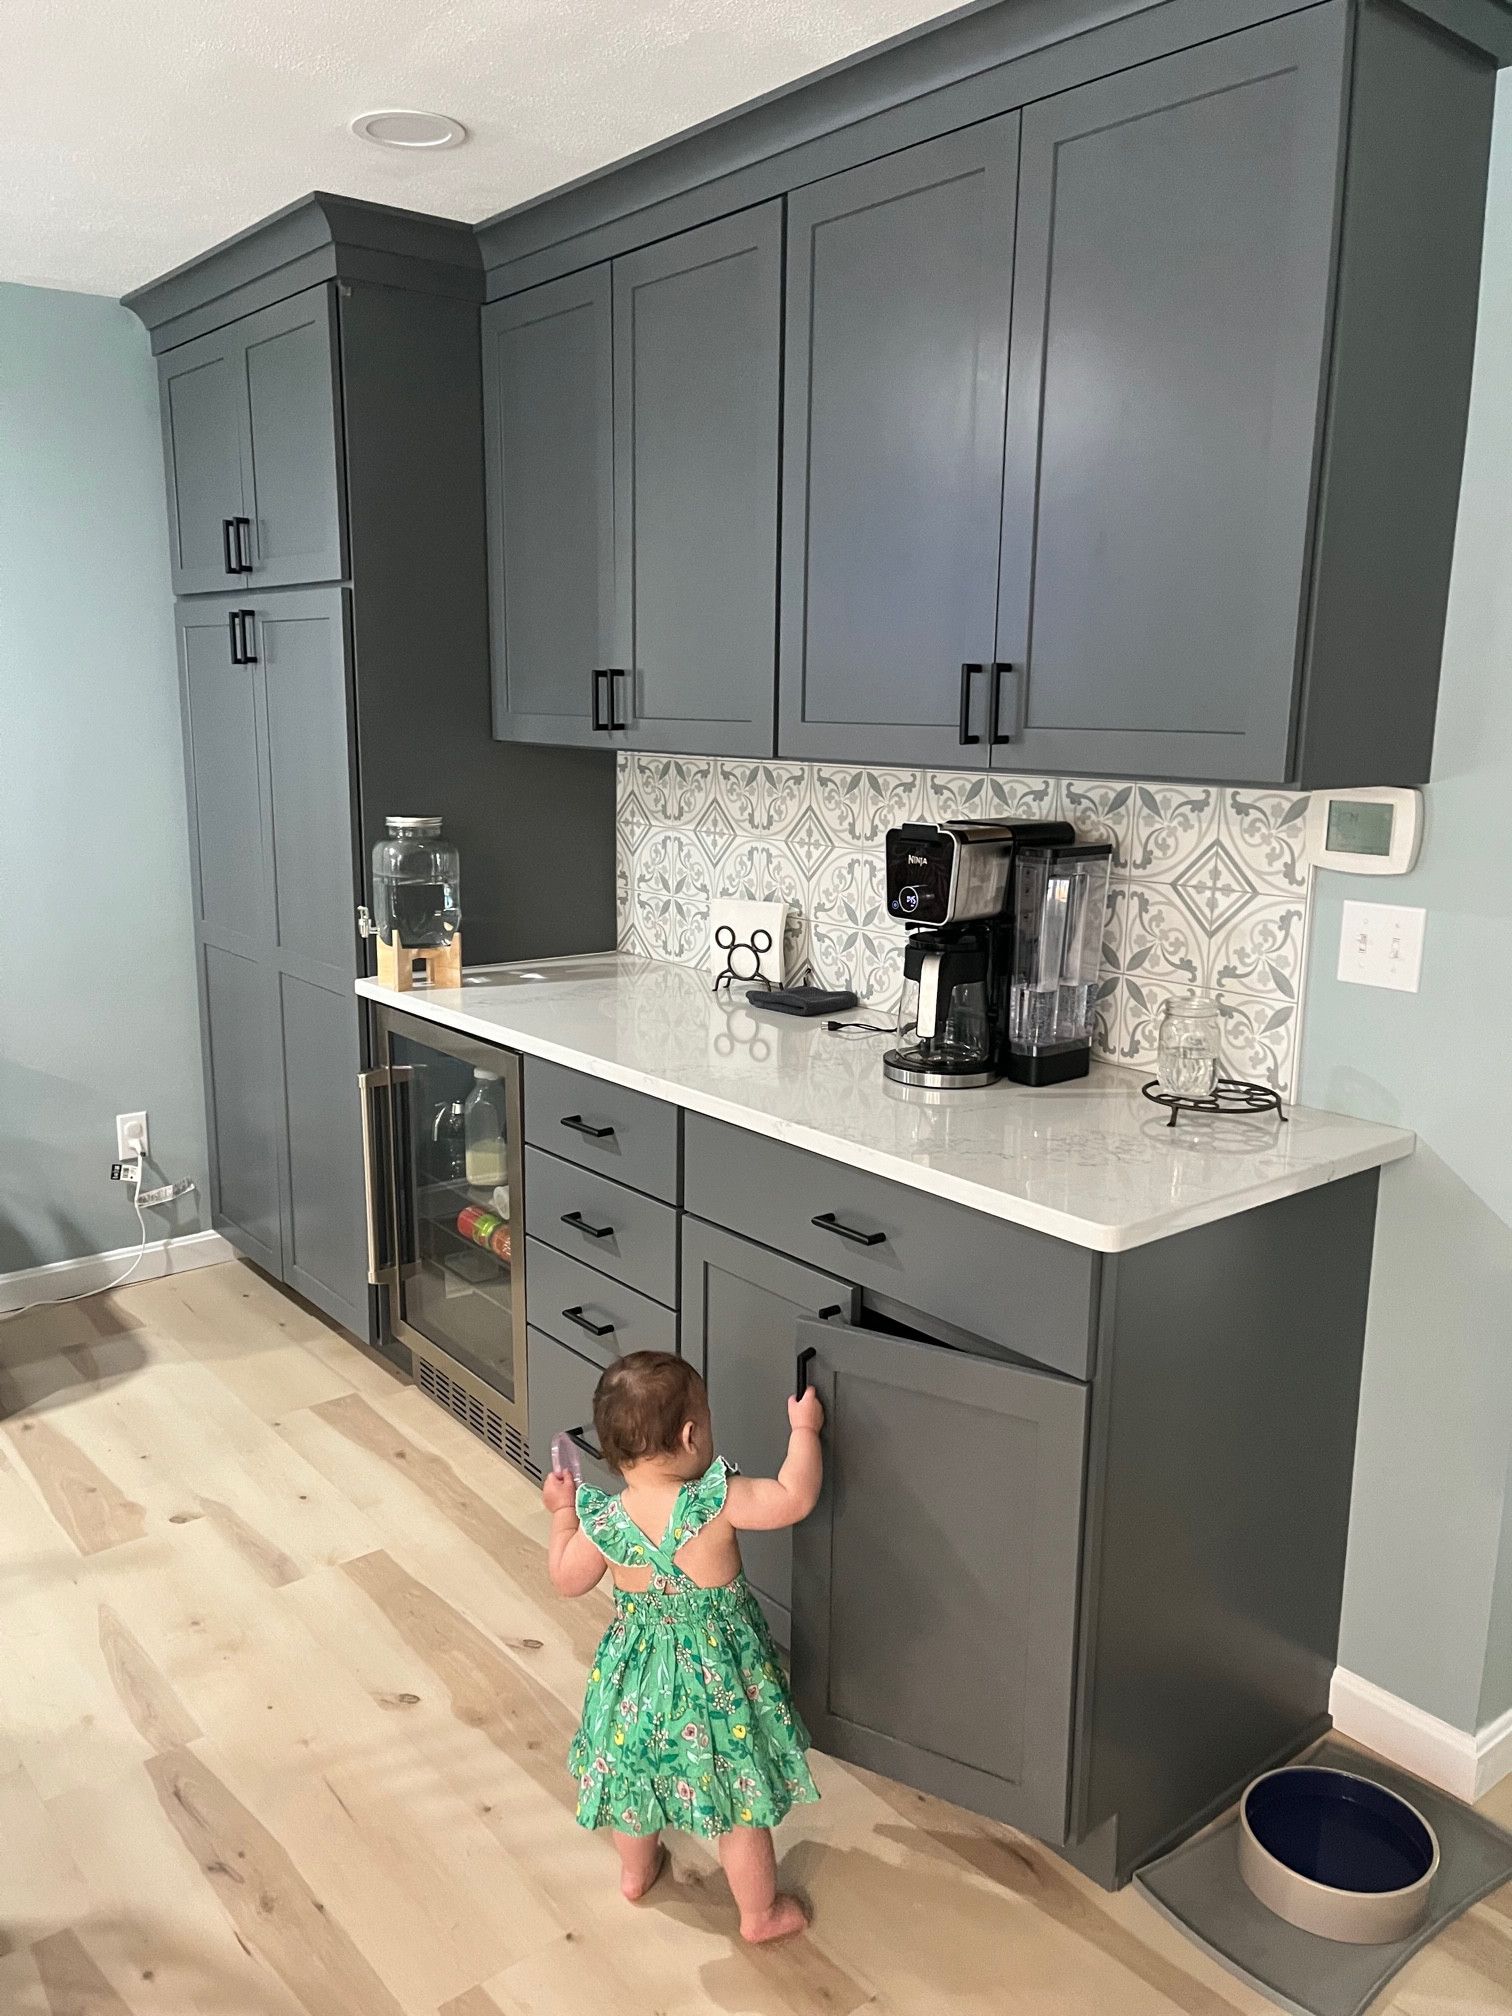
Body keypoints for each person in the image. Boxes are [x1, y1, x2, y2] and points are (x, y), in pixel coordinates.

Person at [542, 1350, 823, 1942]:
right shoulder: (717, 1500)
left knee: (632, 1784)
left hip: (637, 1683)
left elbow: (567, 1578)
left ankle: (636, 1872)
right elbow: (795, 1497)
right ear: (692, 1435)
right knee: (737, 1802)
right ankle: (759, 1915)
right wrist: (804, 1431)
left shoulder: (607, 1519)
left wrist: (565, 1515)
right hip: (717, 1688)